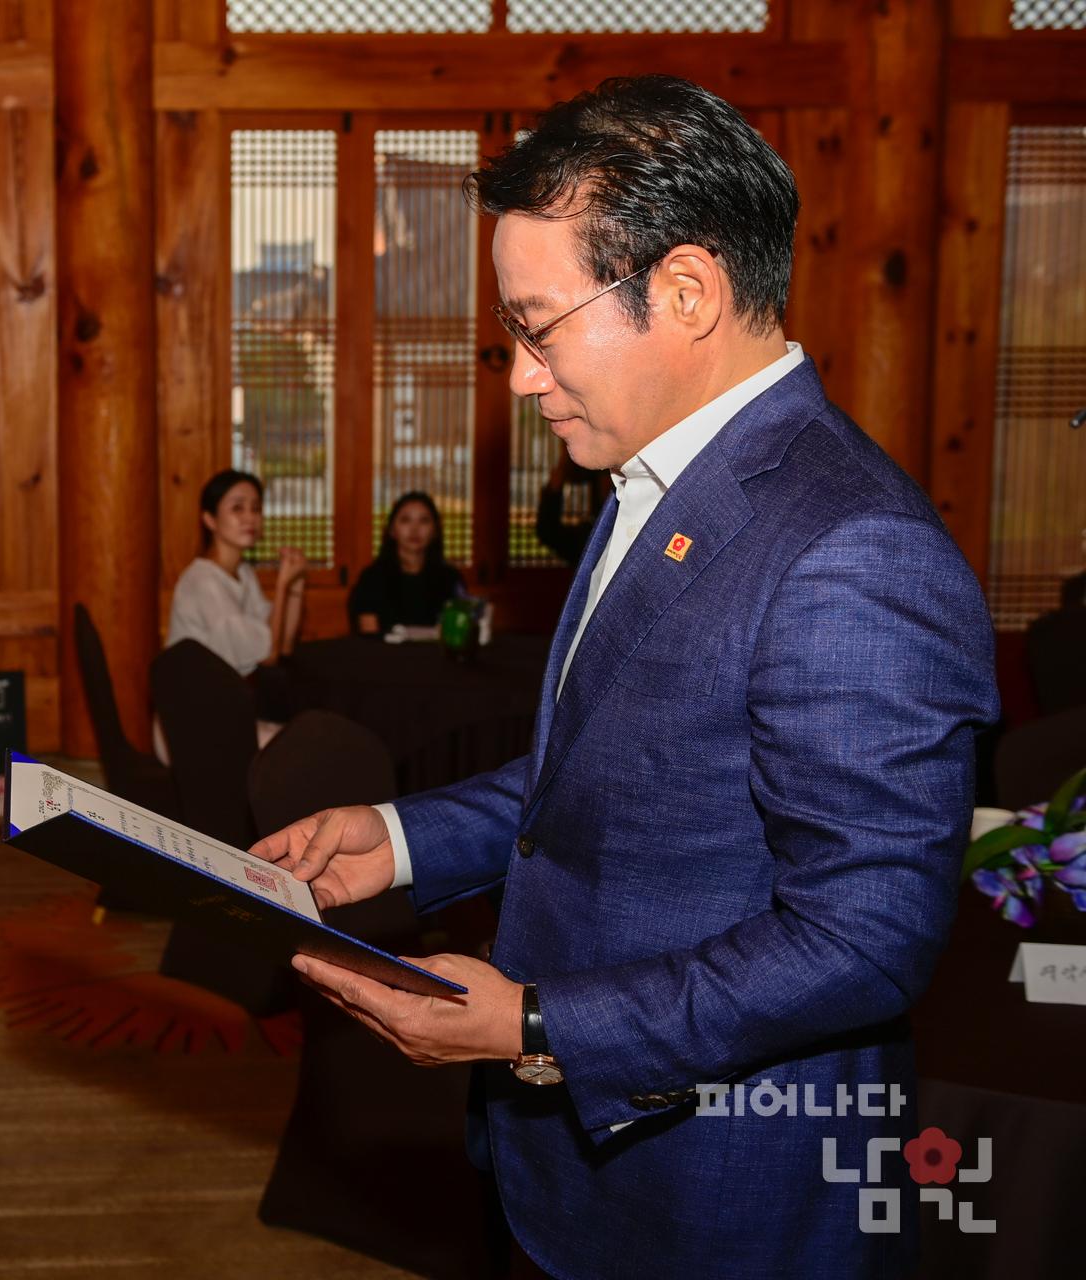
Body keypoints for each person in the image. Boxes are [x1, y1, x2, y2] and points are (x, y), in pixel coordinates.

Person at [253, 77, 998, 1279]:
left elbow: (864, 939)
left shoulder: (853, 547)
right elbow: (604, 771)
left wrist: (536, 1021)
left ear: (688, 291)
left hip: (726, 1193)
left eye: (538, 327)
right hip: (578, 1166)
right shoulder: (652, 482)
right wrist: (397, 838)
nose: (520, 377)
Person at [166, 468, 307, 675]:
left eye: (256, 508)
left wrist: (296, 584)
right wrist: (281, 585)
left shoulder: (244, 573)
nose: (250, 517)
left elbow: (283, 644)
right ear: (210, 520)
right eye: (238, 508)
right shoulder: (204, 581)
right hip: (199, 700)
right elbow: (269, 656)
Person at [348, 491, 469, 633]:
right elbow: (368, 636)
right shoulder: (372, 578)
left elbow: (458, 629)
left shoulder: (450, 578)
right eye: (405, 520)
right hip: (384, 654)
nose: (414, 529)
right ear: (392, 530)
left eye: (424, 521)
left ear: (435, 531)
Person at [533, 452, 612, 568]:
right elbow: (548, 531)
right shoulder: (591, 538)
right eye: (606, 475)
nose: (610, 484)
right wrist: (558, 481)